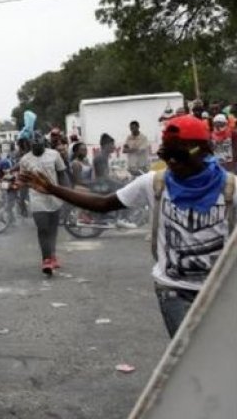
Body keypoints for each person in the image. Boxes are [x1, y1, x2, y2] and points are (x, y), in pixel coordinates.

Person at [20, 115, 236, 338]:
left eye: (178, 155)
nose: (171, 162)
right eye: (165, 155)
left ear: (203, 150)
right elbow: (103, 204)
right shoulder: (154, 182)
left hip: (223, 290)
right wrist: (53, 189)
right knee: (190, 355)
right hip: (174, 291)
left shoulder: (231, 187)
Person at [18, 134, 68, 275]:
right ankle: (46, 260)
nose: (37, 148)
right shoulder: (25, 160)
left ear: (44, 144)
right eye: (34, 146)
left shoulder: (54, 155)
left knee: (53, 230)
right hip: (37, 198)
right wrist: (22, 202)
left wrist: (68, 195)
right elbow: (23, 182)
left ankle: (52, 255)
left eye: (40, 145)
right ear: (30, 146)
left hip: (55, 196)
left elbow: (62, 175)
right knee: (43, 229)